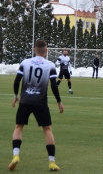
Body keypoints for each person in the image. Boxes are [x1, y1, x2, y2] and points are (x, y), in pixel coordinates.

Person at [8, 40, 64, 171]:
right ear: (46, 51)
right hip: (40, 102)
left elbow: (17, 81)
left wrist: (16, 95)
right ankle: (52, 162)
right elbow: (54, 85)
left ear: (34, 50)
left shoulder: (25, 63)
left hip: (25, 100)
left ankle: (15, 155)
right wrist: (59, 102)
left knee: (18, 127)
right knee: (47, 130)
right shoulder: (50, 65)